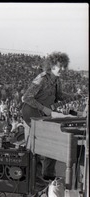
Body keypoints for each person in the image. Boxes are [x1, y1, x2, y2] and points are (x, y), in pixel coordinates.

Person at [21, 51, 79, 181]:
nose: (63, 69)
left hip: (45, 117)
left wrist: (75, 96)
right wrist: (43, 108)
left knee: (51, 144)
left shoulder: (57, 81)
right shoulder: (41, 79)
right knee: (32, 149)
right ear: (52, 66)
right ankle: (33, 179)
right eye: (60, 66)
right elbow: (26, 97)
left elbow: (60, 97)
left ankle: (48, 175)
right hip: (32, 115)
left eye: (64, 66)